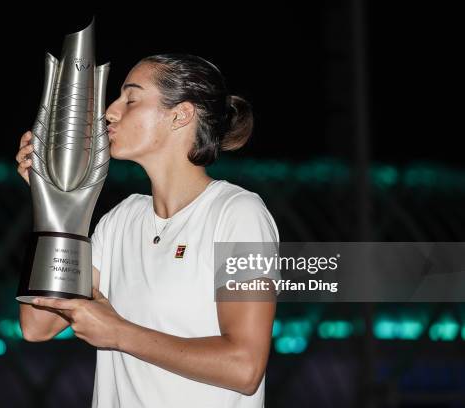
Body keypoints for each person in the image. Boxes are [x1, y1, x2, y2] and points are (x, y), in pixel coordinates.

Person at [16, 54, 280, 407]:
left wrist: (119, 333)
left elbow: (245, 367)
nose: (110, 110)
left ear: (180, 115)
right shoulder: (121, 219)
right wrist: (56, 209)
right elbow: (38, 325)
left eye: (131, 98)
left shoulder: (238, 214)